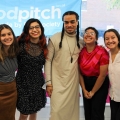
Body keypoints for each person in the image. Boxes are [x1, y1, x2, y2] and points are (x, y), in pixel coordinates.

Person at [44, 11, 84, 120]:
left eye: (72, 22)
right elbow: (48, 61)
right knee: (56, 112)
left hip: (72, 84)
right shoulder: (55, 38)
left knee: (72, 113)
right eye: (66, 22)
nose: (69, 25)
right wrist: (48, 83)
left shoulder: (81, 41)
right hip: (57, 83)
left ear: (77, 22)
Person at [16, 18, 48, 120]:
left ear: (41, 29)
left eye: (37, 27)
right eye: (31, 28)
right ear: (27, 31)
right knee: (24, 113)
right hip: (23, 84)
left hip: (38, 83)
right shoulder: (20, 44)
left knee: (35, 110)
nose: (34, 30)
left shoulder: (44, 45)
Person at [78, 27, 109, 120]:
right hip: (86, 83)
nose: (88, 34)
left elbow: (102, 75)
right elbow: (79, 73)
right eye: (86, 33)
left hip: (100, 83)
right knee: (87, 112)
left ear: (96, 38)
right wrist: (84, 89)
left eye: (92, 33)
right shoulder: (81, 52)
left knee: (97, 113)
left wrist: (93, 92)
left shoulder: (102, 51)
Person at [0, 24, 19, 120]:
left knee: (10, 117)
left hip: (12, 91)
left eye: (9, 34)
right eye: (3, 35)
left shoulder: (14, 51)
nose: (7, 37)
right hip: (1, 92)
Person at [104, 29, 120, 120]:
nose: (110, 41)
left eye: (113, 38)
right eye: (107, 38)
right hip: (113, 95)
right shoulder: (106, 55)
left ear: (118, 39)